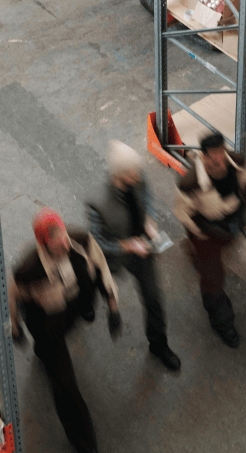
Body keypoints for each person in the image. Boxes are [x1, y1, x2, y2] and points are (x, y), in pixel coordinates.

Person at [9, 208, 121, 453]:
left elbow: (101, 266)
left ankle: (48, 346)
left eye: (64, 237)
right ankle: (84, 443)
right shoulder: (28, 269)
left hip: (73, 306)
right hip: (47, 324)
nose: (65, 244)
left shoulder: (78, 240)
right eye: (57, 243)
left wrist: (113, 306)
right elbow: (12, 295)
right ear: (44, 244)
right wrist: (14, 326)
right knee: (65, 387)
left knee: (88, 276)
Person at [86, 140, 181, 371]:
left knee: (154, 299)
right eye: (133, 173)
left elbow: (147, 199)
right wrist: (126, 246)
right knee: (98, 283)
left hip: (141, 250)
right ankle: (87, 302)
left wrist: (149, 220)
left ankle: (158, 344)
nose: (139, 176)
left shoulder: (138, 178)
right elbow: (97, 242)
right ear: (119, 175)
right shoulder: (97, 202)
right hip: (114, 255)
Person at [174, 133, 246, 348]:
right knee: (213, 278)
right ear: (203, 157)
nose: (220, 158)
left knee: (221, 256)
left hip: (229, 226)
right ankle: (222, 322)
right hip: (206, 230)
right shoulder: (190, 182)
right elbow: (182, 211)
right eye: (214, 155)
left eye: (222, 152)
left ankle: (199, 258)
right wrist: (197, 235)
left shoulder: (235, 161)